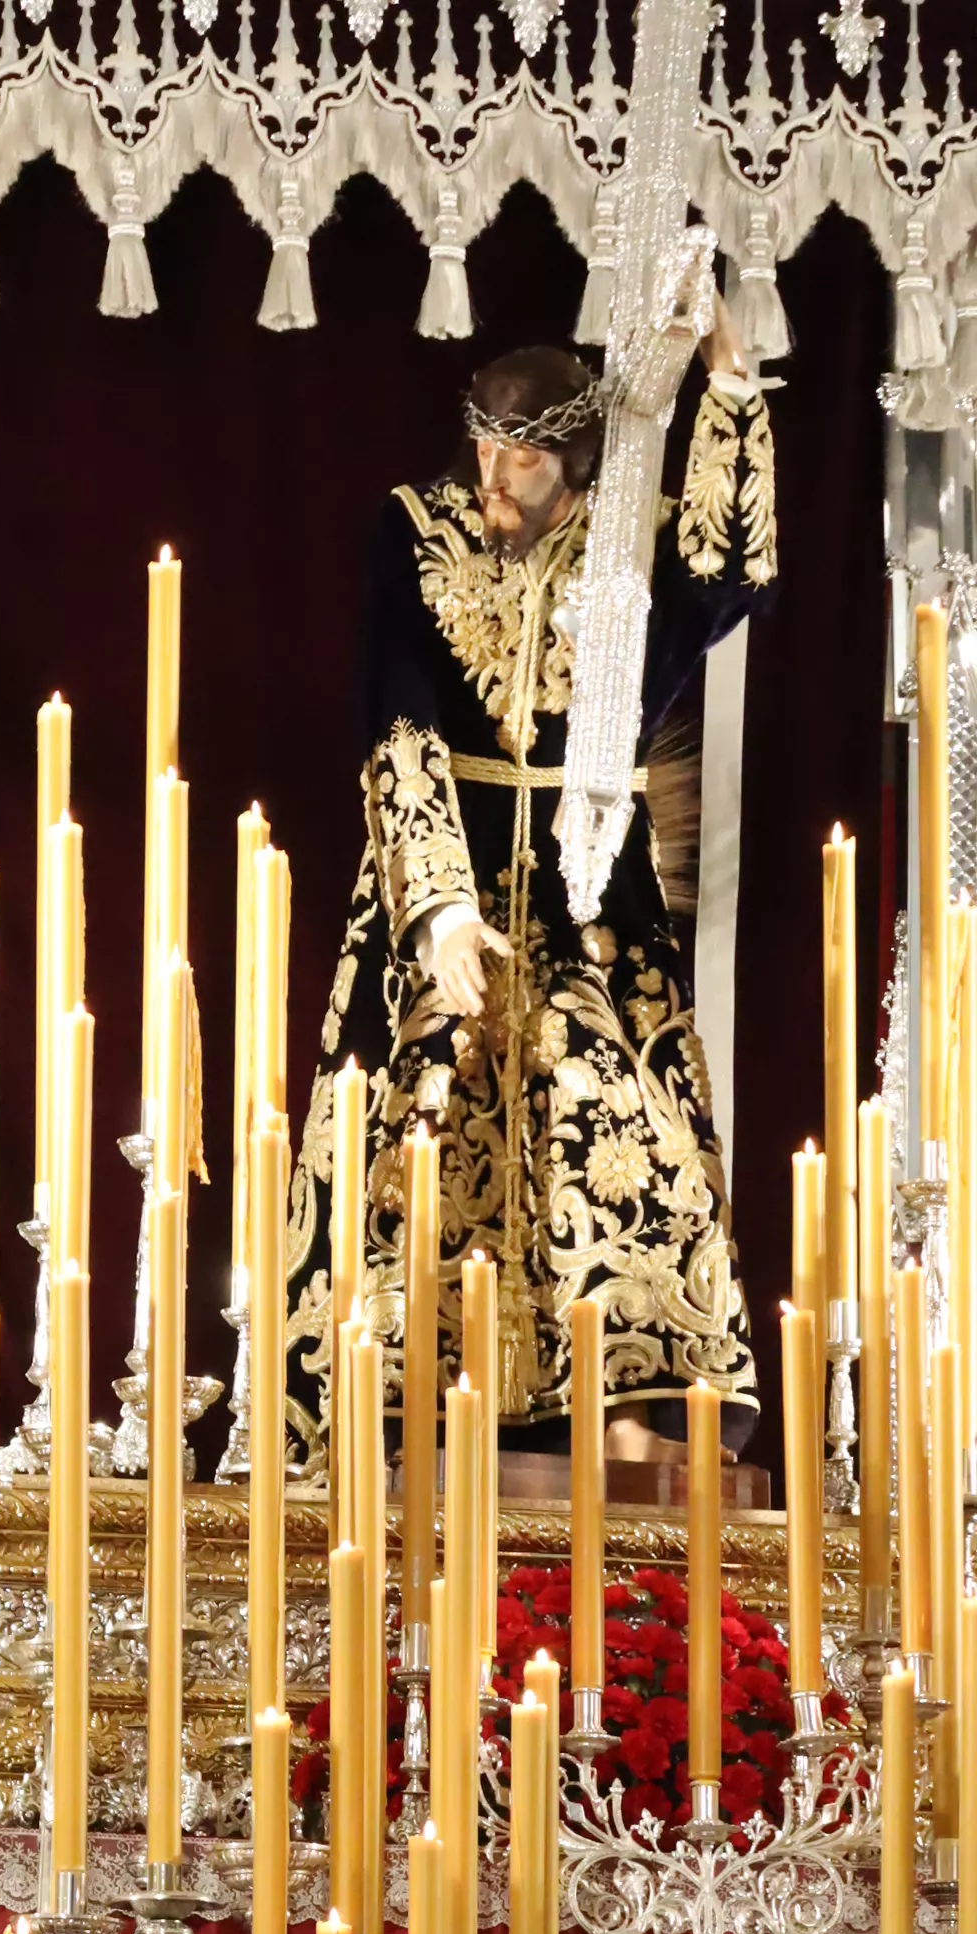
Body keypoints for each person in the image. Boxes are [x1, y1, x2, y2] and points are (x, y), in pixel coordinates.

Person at [285, 317, 774, 1463]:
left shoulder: (632, 555)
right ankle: (390, 1433)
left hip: (587, 895)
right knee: (409, 1150)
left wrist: (732, 393)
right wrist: (438, 909)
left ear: (580, 463)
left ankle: (639, 1442)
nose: (497, 478)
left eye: (527, 457)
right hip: (440, 886)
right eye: (485, 447)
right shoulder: (412, 530)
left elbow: (733, 569)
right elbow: (396, 718)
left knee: (627, 1149)